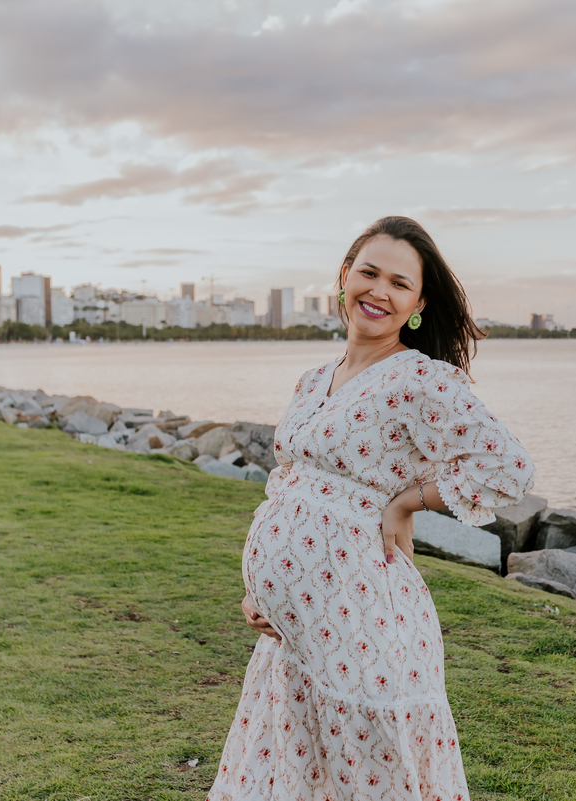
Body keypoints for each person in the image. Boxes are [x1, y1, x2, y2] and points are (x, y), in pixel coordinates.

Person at [207, 216, 535, 800]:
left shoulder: (419, 381)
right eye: (369, 272)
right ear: (343, 278)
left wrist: (407, 502)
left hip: (361, 621)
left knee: (369, 770)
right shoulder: (314, 380)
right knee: (297, 773)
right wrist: (260, 590)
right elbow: (288, 485)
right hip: (292, 633)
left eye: (399, 283)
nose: (379, 291)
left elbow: (507, 467)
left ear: (417, 303)